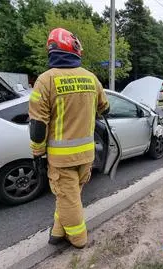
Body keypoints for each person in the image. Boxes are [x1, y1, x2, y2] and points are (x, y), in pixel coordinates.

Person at [28, 28, 109, 249]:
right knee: (69, 197)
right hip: (87, 154)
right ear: (74, 49)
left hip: (61, 159)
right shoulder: (91, 78)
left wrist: (37, 153)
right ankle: (57, 232)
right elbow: (105, 108)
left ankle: (79, 240)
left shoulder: (45, 81)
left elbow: (37, 126)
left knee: (67, 197)